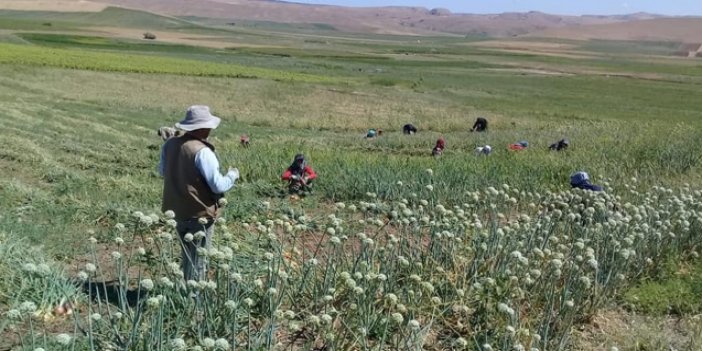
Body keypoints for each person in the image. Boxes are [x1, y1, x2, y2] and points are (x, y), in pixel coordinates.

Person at [159, 105, 240, 281]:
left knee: (187, 255)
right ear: (203, 128)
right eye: (209, 126)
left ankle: (185, 293)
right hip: (200, 213)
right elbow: (218, 185)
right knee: (199, 259)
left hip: (176, 210)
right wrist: (233, 176)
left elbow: (162, 171)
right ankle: (195, 303)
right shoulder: (202, 152)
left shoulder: (170, 144)